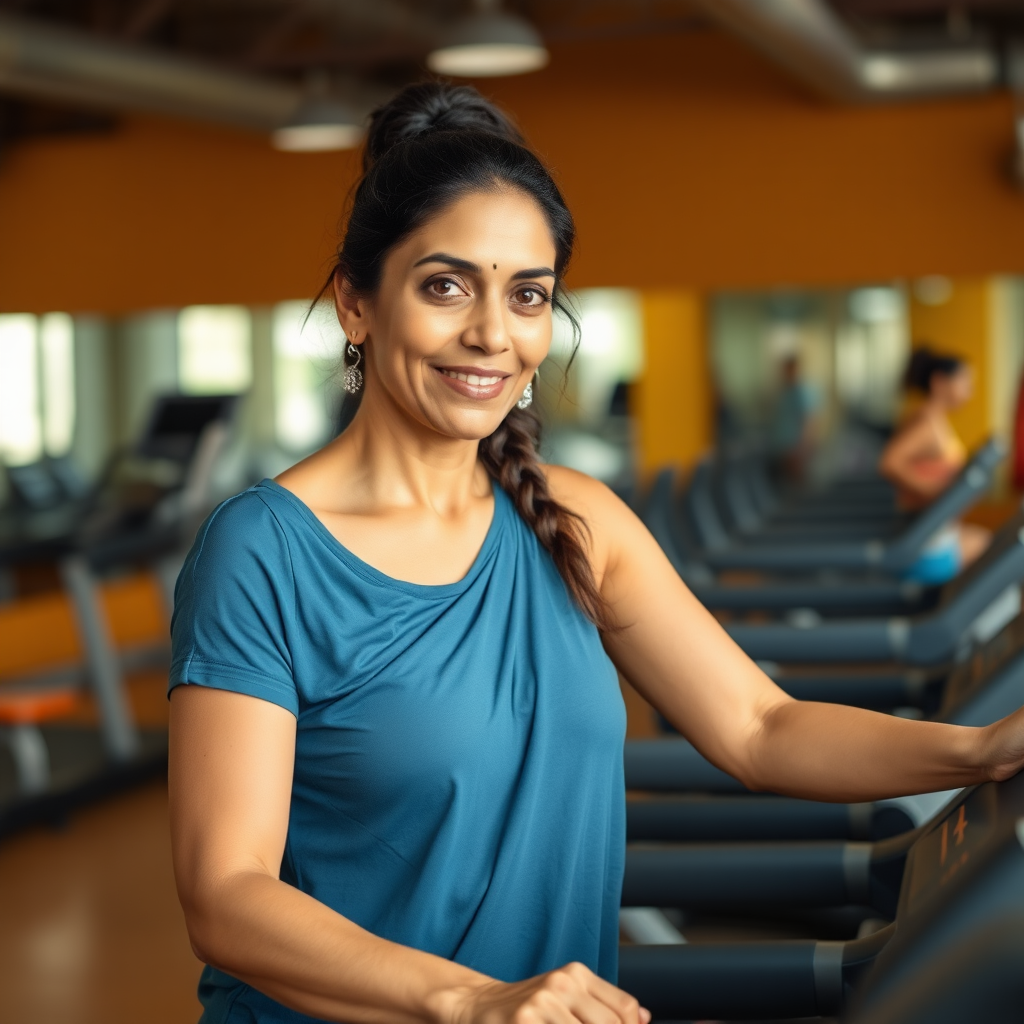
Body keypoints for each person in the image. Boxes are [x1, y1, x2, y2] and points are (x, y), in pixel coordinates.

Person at [168, 83, 1024, 1024]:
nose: (493, 333)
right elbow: (225, 892)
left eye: (527, 295)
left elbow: (759, 728)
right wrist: (473, 1000)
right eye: (445, 285)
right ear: (355, 304)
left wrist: (979, 751)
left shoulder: (574, 519)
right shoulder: (261, 552)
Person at [879, 347, 991, 583]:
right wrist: (931, 491)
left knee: (994, 543)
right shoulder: (927, 423)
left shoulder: (935, 420)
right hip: (924, 547)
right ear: (939, 382)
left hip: (935, 533)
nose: (969, 390)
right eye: (964, 381)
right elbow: (889, 463)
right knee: (995, 553)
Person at [768, 353, 819, 480]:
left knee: (797, 484)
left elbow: (809, 421)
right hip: (783, 448)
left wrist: (802, 448)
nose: (785, 373)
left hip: (795, 449)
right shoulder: (785, 391)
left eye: (788, 369)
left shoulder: (802, 392)